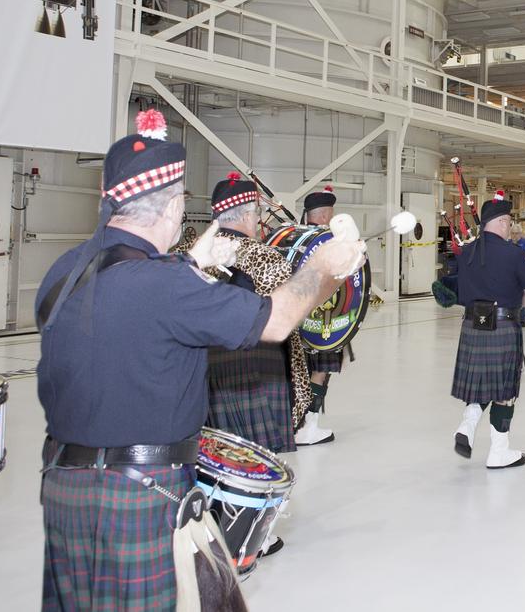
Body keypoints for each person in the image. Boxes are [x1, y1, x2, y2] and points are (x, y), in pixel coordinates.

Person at [36, 110, 364, 611]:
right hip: (143, 494)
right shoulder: (166, 285)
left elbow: (127, 322)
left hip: (65, 489)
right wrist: (323, 271)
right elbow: (276, 322)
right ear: (171, 205)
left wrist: (192, 263)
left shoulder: (64, 270)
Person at [178, 171, 311, 559]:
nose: (259, 222)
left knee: (214, 450)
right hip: (255, 367)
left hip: (204, 367)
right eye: (256, 214)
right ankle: (257, 534)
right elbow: (289, 318)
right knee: (256, 457)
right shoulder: (267, 258)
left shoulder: (187, 253)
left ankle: (207, 522)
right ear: (247, 214)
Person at [451, 189, 525, 468]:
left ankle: (467, 425)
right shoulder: (513, 254)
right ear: (501, 222)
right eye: (509, 222)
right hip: (503, 324)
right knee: (504, 391)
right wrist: (516, 305)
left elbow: (454, 290)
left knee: (479, 382)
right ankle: (499, 452)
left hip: (472, 325)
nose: (510, 227)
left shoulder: (465, 253)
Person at [296, 185, 341, 445]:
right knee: (320, 371)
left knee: (297, 369)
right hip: (325, 319)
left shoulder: (297, 237)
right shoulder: (329, 241)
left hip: (294, 319)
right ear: (324, 216)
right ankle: (308, 426)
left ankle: (293, 421)